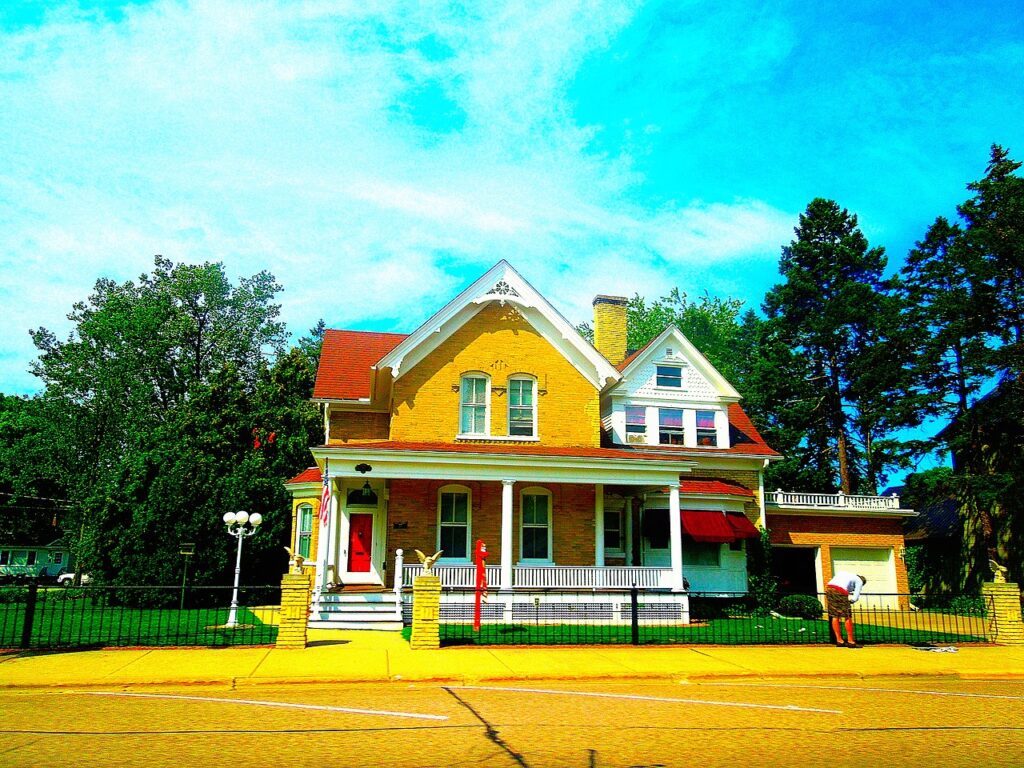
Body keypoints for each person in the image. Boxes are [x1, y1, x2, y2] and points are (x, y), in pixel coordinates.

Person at [826, 572, 867, 648]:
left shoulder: (844, 574)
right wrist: (851, 601)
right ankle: (851, 641)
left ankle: (839, 640)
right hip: (840, 591)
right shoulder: (860, 581)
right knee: (847, 616)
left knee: (835, 616)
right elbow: (856, 595)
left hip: (829, 588)